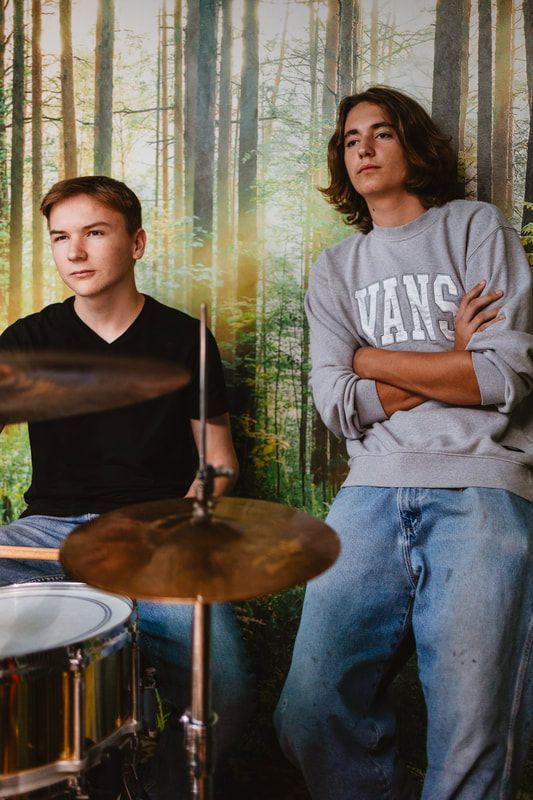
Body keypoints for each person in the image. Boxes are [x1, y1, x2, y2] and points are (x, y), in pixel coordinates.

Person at [274, 86, 533, 799]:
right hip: (368, 491)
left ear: (412, 147)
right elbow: (336, 405)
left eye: (380, 133)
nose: (361, 147)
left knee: (469, 730)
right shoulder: (335, 270)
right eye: (350, 137)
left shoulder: (475, 227)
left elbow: (500, 377)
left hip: (481, 485)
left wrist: (371, 358)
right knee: (308, 709)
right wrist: (446, 357)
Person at [0, 175, 254, 798]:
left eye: (94, 233)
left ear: (136, 243)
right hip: (46, 535)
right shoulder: (30, 340)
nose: (75, 252)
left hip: (152, 539)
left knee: (225, 698)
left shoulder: (182, 339)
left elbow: (217, 462)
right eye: (61, 238)